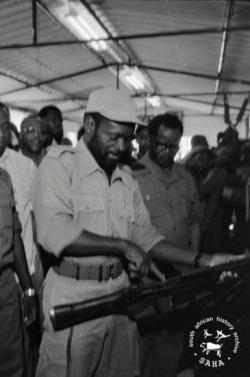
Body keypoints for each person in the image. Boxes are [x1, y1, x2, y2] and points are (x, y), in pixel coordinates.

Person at [34, 88, 244, 377]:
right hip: (75, 299)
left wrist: (204, 260)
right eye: (113, 136)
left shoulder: (126, 176)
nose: (122, 146)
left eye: (127, 138)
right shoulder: (60, 165)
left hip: (121, 297)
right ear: (90, 125)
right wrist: (122, 246)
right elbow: (52, 230)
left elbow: (144, 234)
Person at [133, 113, 201, 377]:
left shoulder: (186, 177)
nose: (166, 150)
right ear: (150, 139)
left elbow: (195, 221)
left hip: (181, 275)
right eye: (161, 143)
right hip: (148, 275)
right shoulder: (133, 175)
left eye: (173, 145)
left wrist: (193, 263)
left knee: (172, 340)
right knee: (143, 340)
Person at [0, 166, 37, 377]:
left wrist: (28, 291)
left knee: (14, 367)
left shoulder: (4, 177)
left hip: (5, 286)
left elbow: (15, 237)